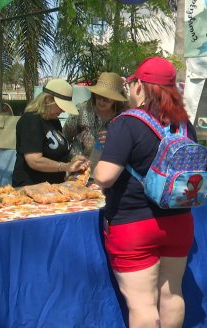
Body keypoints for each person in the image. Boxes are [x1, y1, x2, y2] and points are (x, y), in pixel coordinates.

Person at [94, 57, 195, 328]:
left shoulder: (126, 123)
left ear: (140, 85)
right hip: (179, 220)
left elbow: (105, 177)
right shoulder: (185, 125)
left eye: (131, 82)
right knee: (173, 294)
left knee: (142, 305)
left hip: (133, 224)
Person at [12, 79, 90, 187]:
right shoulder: (31, 120)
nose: (63, 110)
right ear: (48, 99)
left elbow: (56, 153)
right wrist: (66, 166)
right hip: (32, 186)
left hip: (52, 187)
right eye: (61, 105)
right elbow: (34, 160)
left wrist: (72, 159)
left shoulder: (54, 121)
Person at [63, 72, 128, 158]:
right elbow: (65, 136)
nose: (101, 102)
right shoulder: (82, 110)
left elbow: (127, 144)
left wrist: (115, 140)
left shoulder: (122, 117)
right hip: (78, 165)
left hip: (106, 167)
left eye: (107, 100)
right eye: (99, 96)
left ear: (115, 100)